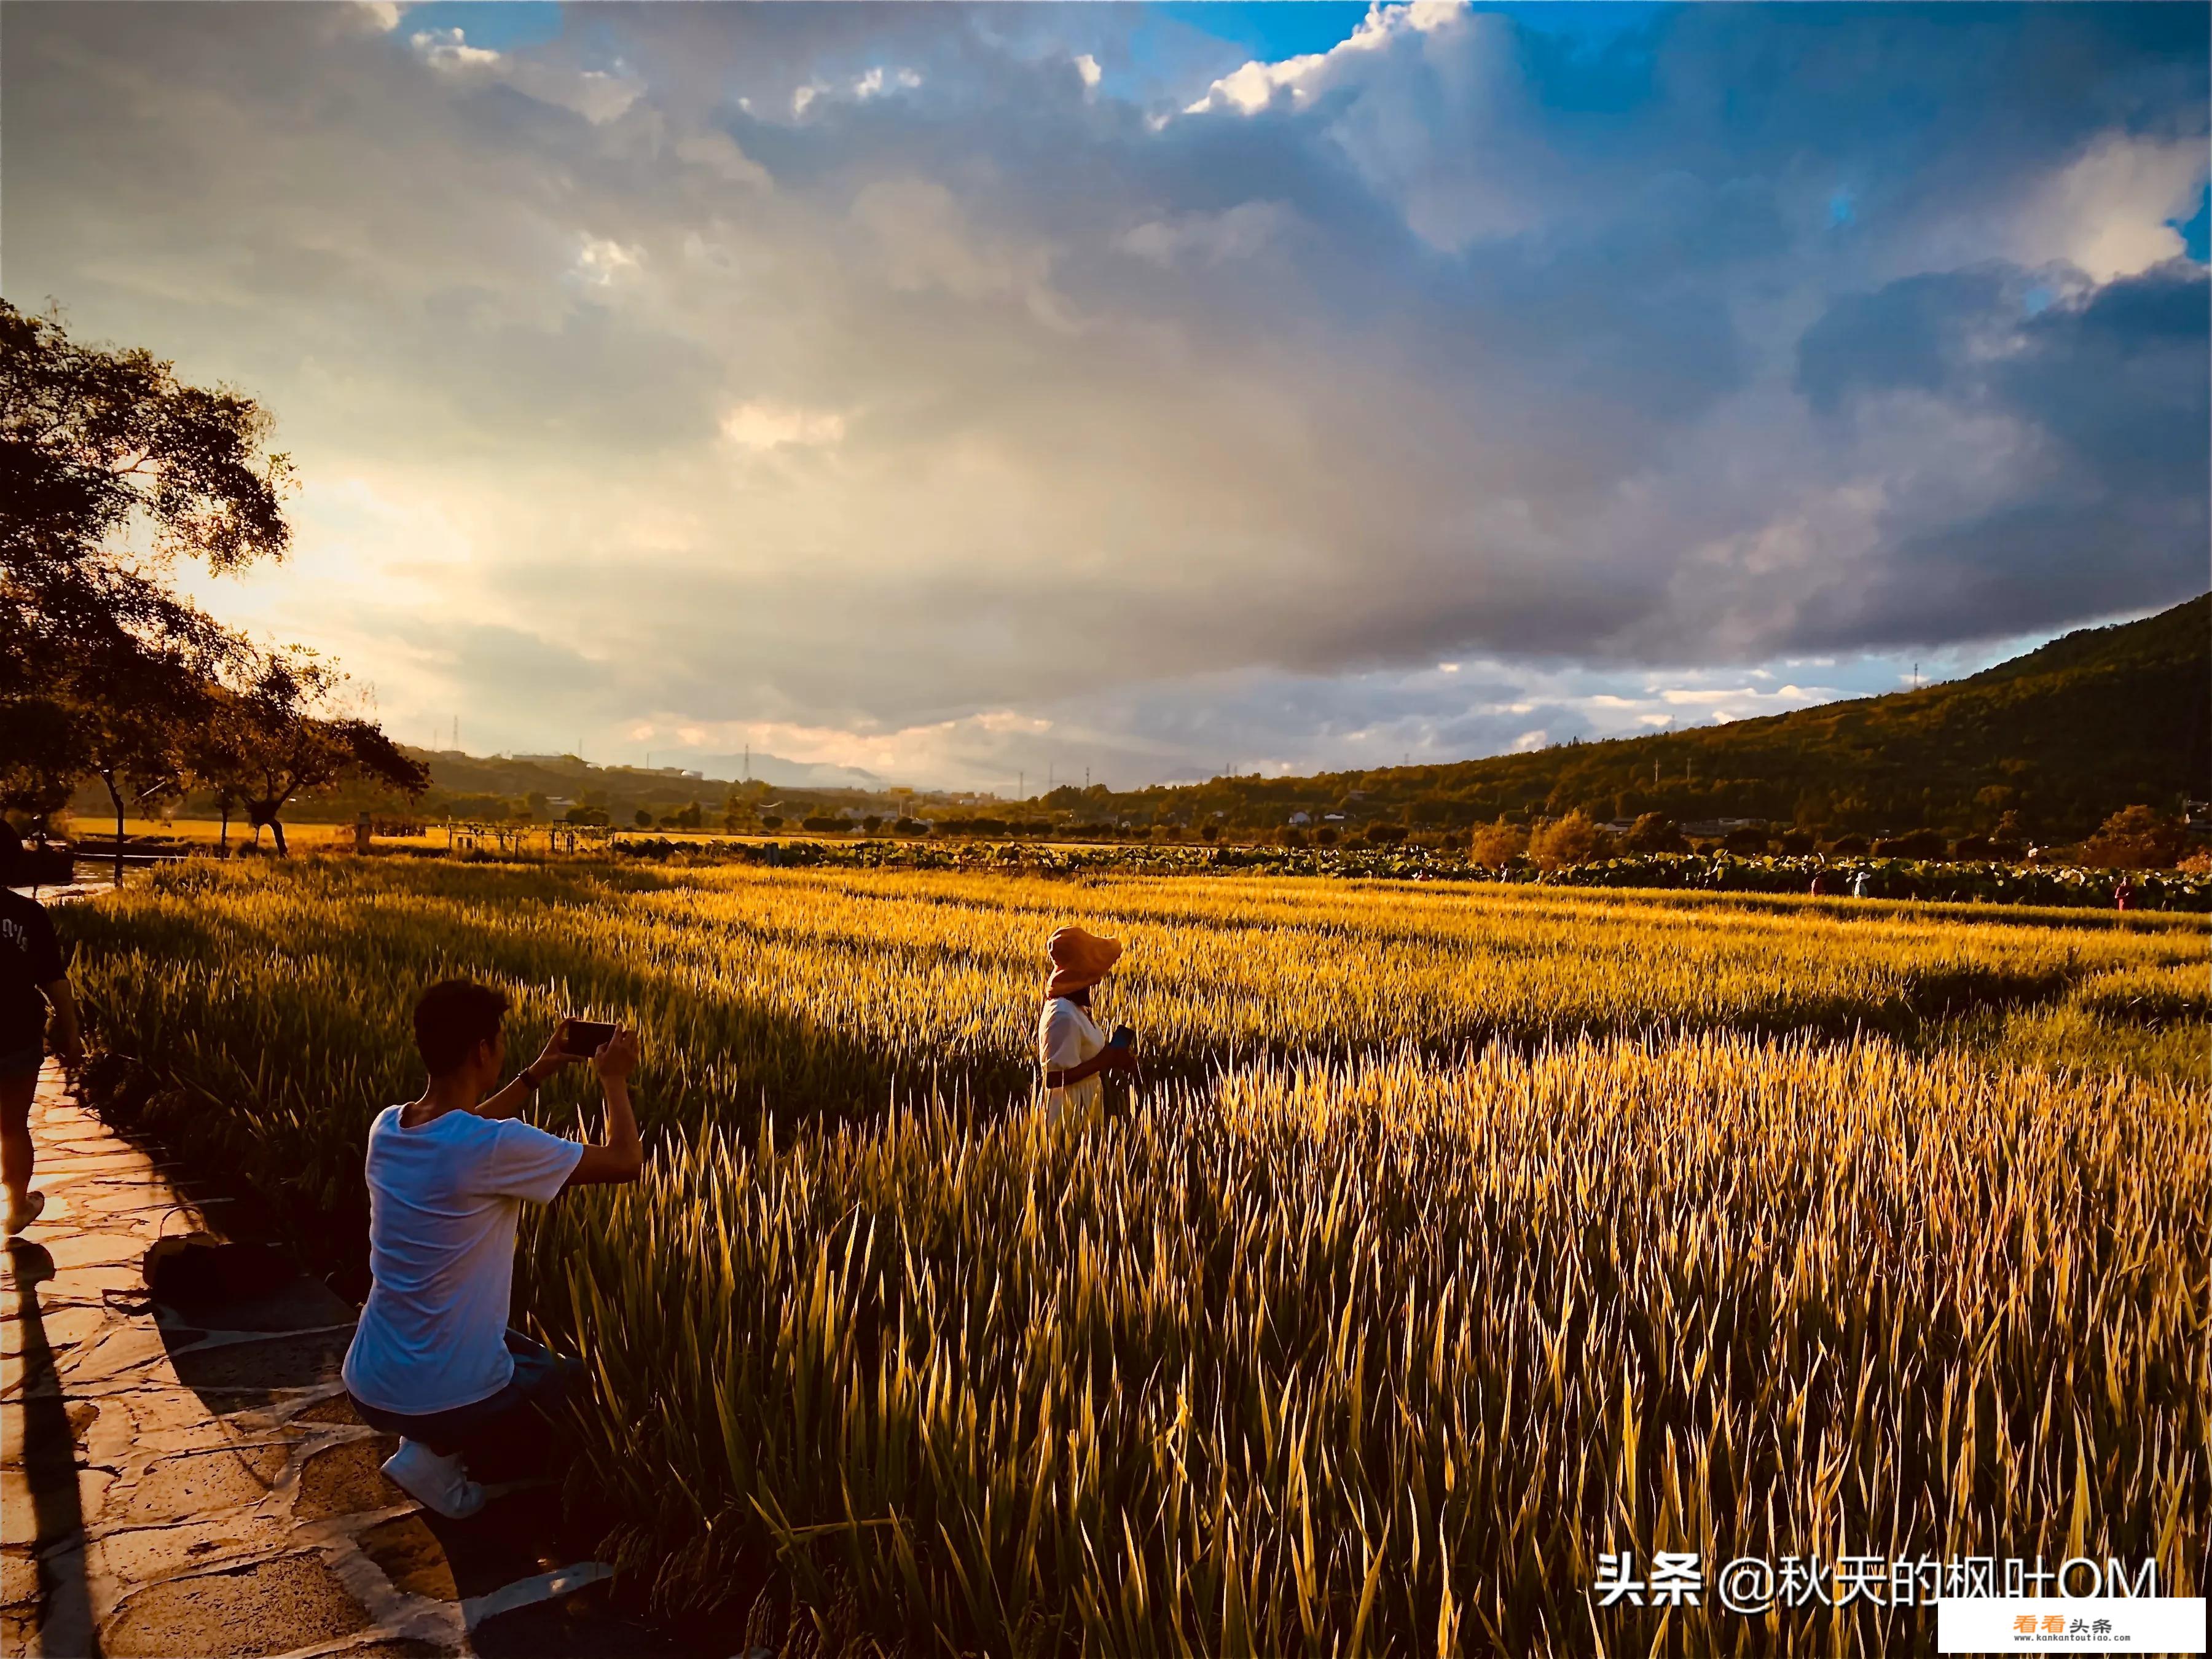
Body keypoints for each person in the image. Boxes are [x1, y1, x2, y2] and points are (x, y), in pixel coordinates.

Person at [342, 979, 643, 1519]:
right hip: (436, 1390)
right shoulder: (494, 1147)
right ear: (483, 1050)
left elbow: (462, 1126)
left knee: (517, 1345)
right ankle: (441, 1457)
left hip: (368, 1378)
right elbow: (625, 1162)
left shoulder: (388, 1127)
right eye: (500, 1038)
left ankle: (428, 1440)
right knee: (567, 1379)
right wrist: (615, 1082)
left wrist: (538, 1071)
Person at [2, 825, 84, 1237]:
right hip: (16, 1037)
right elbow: (54, 981)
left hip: (18, 1037)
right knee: (13, 1124)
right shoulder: (29, 915)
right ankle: (17, 1206)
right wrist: (70, 1032)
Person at [1038, 925, 1139, 1119]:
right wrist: (1107, 1059)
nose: (1099, 979)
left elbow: (1087, 1058)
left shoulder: (1077, 1009)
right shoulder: (1062, 1015)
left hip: (1086, 1105)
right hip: (1067, 1114)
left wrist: (1116, 1056)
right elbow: (1052, 1078)